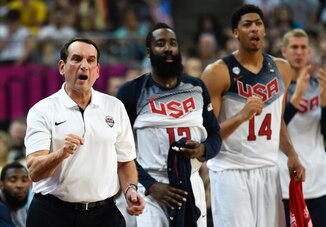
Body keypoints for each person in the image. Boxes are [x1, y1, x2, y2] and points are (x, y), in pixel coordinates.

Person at [200, 4, 306, 227]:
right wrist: (241, 116)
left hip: (268, 169)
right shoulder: (217, 72)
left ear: (265, 30)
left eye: (258, 24)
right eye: (247, 25)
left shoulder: (282, 70)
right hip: (231, 171)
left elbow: (277, 121)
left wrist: (291, 153)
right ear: (235, 33)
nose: (254, 29)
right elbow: (208, 136)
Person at [24, 37, 145, 227]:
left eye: (90, 60)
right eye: (77, 58)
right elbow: (34, 171)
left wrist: (130, 189)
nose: (84, 66)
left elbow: (125, 162)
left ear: (97, 70)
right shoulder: (42, 111)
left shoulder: (115, 107)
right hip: (52, 214)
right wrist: (61, 154)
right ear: (62, 67)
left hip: (104, 214)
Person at [116, 22, 222, 227]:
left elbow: (215, 135)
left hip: (191, 182)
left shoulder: (197, 87)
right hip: (150, 187)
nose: (168, 48)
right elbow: (118, 149)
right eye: (160, 44)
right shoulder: (131, 92)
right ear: (149, 52)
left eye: (173, 43)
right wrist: (150, 184)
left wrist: (203, 149)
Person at [279, 28, 326, 227]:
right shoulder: (276, 87)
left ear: (309, 53)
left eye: (303, 47)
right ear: (284, 51)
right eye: (294, 47)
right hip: (284, 179)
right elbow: (275, 129)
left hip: (319, 179)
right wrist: (295, 100)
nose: (299, 52)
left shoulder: (320, 85)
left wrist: (325, 100)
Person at [0, 162, 31, 227]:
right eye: (13, 180)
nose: (20, 185)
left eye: (24, 180)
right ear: (1, 185)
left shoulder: (25, 207)